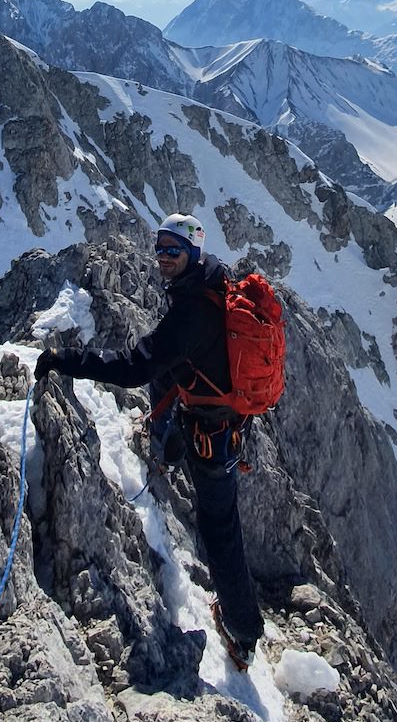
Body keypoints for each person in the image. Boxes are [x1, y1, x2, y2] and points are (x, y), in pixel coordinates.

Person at [35, 214, 264, 667]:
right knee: (170, 386)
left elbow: (136, 366)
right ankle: (159, 441)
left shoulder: (192, 312)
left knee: (221, 534)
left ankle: (243, 633)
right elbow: (173, 367)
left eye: (172, 250)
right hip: (222, 421)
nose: (163, 258)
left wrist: (68, 360)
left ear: (192, 253)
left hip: (213, 437)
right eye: (159, 248)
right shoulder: (212, 281)